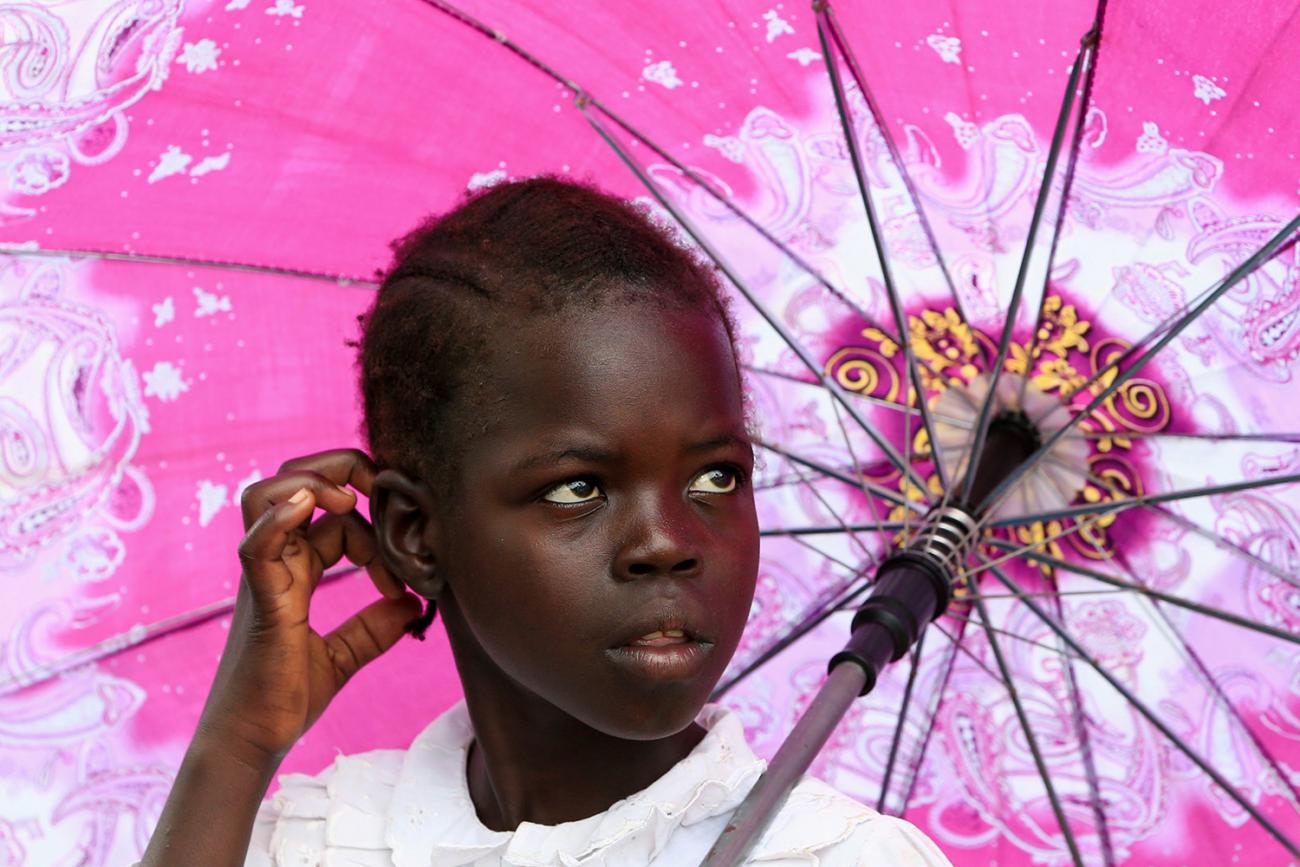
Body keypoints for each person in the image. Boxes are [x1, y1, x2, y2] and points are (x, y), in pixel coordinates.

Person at [138, 178, 952, 866]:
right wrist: (238, 743)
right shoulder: (319, 840)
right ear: (416, 533)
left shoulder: (836, 856)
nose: (667, 542)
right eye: (577, 489)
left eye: (715, 475)